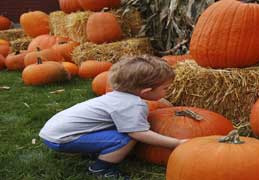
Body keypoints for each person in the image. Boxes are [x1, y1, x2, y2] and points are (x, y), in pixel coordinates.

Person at [39, 55, 188, 180]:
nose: (167, 92)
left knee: (119, 128)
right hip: (63, 139)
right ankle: (101, 169)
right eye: (165, 89)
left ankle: (96, 150)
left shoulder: (117, 97)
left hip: (52, 132)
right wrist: (176, 143)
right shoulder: (133, 105)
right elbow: (139, 133)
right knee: (126, 138)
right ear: (146, 91)